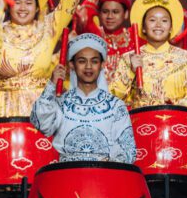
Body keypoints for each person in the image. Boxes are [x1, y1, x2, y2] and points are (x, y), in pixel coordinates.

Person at [31, 33, 136, 163]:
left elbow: (128, 150)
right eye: (82, 61)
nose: (88, 66)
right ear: (72, 65)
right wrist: (52, 84)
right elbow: (41, 124)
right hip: (66, 172)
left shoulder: (116, 106)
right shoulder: (61, 103)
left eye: (94, 61)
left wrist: (107, 164)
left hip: (104, 173)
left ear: (102, 65)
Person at [108, 0, 187, 110]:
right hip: (141, 121)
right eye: (152, 20)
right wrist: (130, 72)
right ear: (143, 27)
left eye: (164, 21)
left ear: (171, 28)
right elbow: (113, 99)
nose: (158, 25)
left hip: (175, 119)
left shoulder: (185, 58)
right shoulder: (129, 58)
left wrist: (177, 108)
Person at [75, 0, 136, 82]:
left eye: (115, 12)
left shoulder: (134, 36)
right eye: (105, 11)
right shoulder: (95, 35)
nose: (110, 16)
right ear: (99, 13)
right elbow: (82, 17)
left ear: (126, 14)